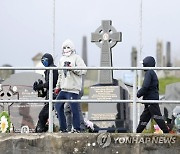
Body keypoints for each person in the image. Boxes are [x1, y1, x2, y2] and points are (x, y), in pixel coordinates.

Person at [54, 39, 87, 133]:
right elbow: (60, 74)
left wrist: (72, 68)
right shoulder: (61, 60)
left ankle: (77, 128)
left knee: (74, 108)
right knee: (58, 105)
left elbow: (84, 70)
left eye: (68, 47)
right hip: (64, 88)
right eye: (64, 47)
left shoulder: (77, 58)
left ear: (72, 48)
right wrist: (57, 87)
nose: (66, 49)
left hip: (73, 89)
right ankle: (63, 128)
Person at [136, 56, 169, 133]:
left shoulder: (149, 72)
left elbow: (145, 86)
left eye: (144, 64)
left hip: (151, 100)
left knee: (157, 117)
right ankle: (137, 133)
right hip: (149, 100)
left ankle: (167, 134)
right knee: (144, 118)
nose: (143, 66)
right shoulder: (151, 73)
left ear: (147, 64)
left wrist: (139, 93)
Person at [33, 53, 58, 133]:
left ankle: (39, 131)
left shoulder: (52, 69)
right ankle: (40, 130)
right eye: (42, 61)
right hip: (49, 96)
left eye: (45, 60)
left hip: (53, 96)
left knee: (43, 115)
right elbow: (47, 87)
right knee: (43, 115)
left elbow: (52, 84)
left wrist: (41, 86)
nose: (44, 62)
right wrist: (40, 91)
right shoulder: (48, 70)